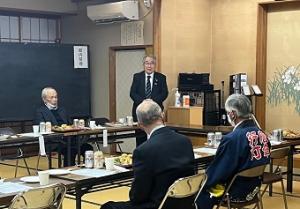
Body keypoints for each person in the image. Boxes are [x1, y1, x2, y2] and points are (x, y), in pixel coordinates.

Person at [101, 99, 195, 209]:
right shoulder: (185, 141)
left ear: (140, 124)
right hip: (185, 202)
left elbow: (137, 197)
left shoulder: (144, 151)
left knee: (108, 207)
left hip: (158, 205)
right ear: (162, 115)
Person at [196, 94, 271, 209]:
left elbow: (218, 172)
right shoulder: (262, 134)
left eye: (227, 112)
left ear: (232, 114)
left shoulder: (232, 138)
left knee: (199, 191)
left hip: (234, 191)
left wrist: (201, 181)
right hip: (254, 189)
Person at [35, 87, 93, 167]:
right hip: (54, 141)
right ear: (44, 99)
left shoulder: (62, 110)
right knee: (70, 150)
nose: (55, 99)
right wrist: (56, 129)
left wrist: (76, 126)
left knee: (88, 147)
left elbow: (70, 124)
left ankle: (88, 168)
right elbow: (41, 127)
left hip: (70, 139)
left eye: (56, 97)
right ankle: (68, 172)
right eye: (52, 97)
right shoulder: (40, 111)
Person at [130, 55, 168, 146]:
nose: (149, 66)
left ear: (155, 65)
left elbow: (164, 93)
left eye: (152, 63)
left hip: (155, 112)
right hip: (140, 111)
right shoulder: (137, 77)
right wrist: (145, 103)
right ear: (143, 65)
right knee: (140, 139)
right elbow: (132, 93)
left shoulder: (161, 77)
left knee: (156, 138)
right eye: (147, 63)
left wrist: (152, 103)